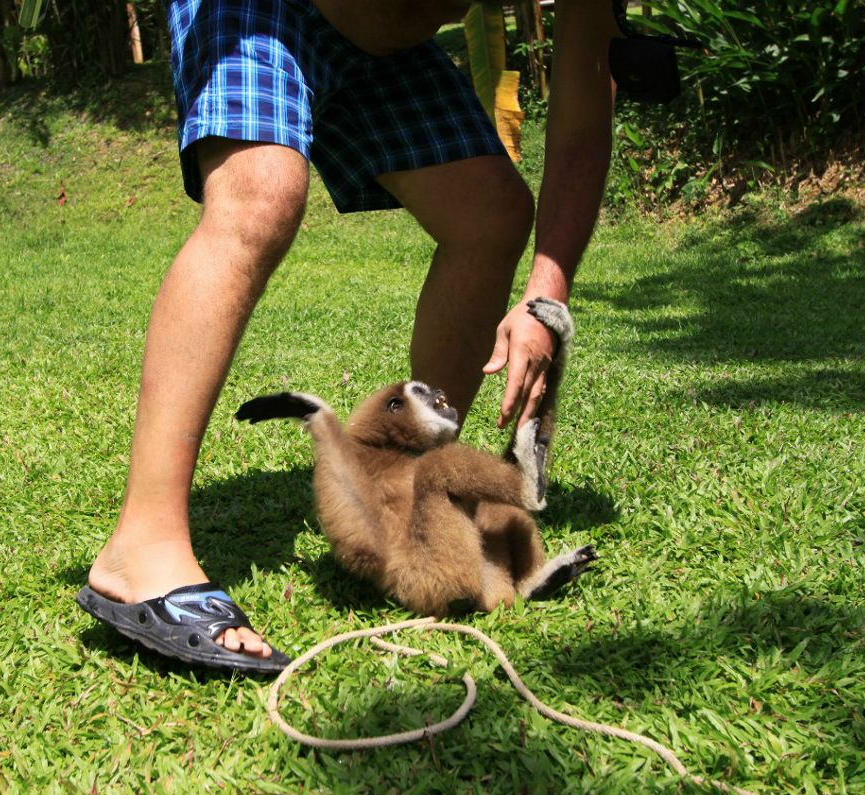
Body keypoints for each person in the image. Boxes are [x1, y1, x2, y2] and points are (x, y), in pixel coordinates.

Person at [76, 0, 620, 672]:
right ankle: (143, 548)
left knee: (490, 213)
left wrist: (545, 296)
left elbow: (584, 107)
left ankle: (421, 513)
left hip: (381, 43)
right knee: (261, 193)